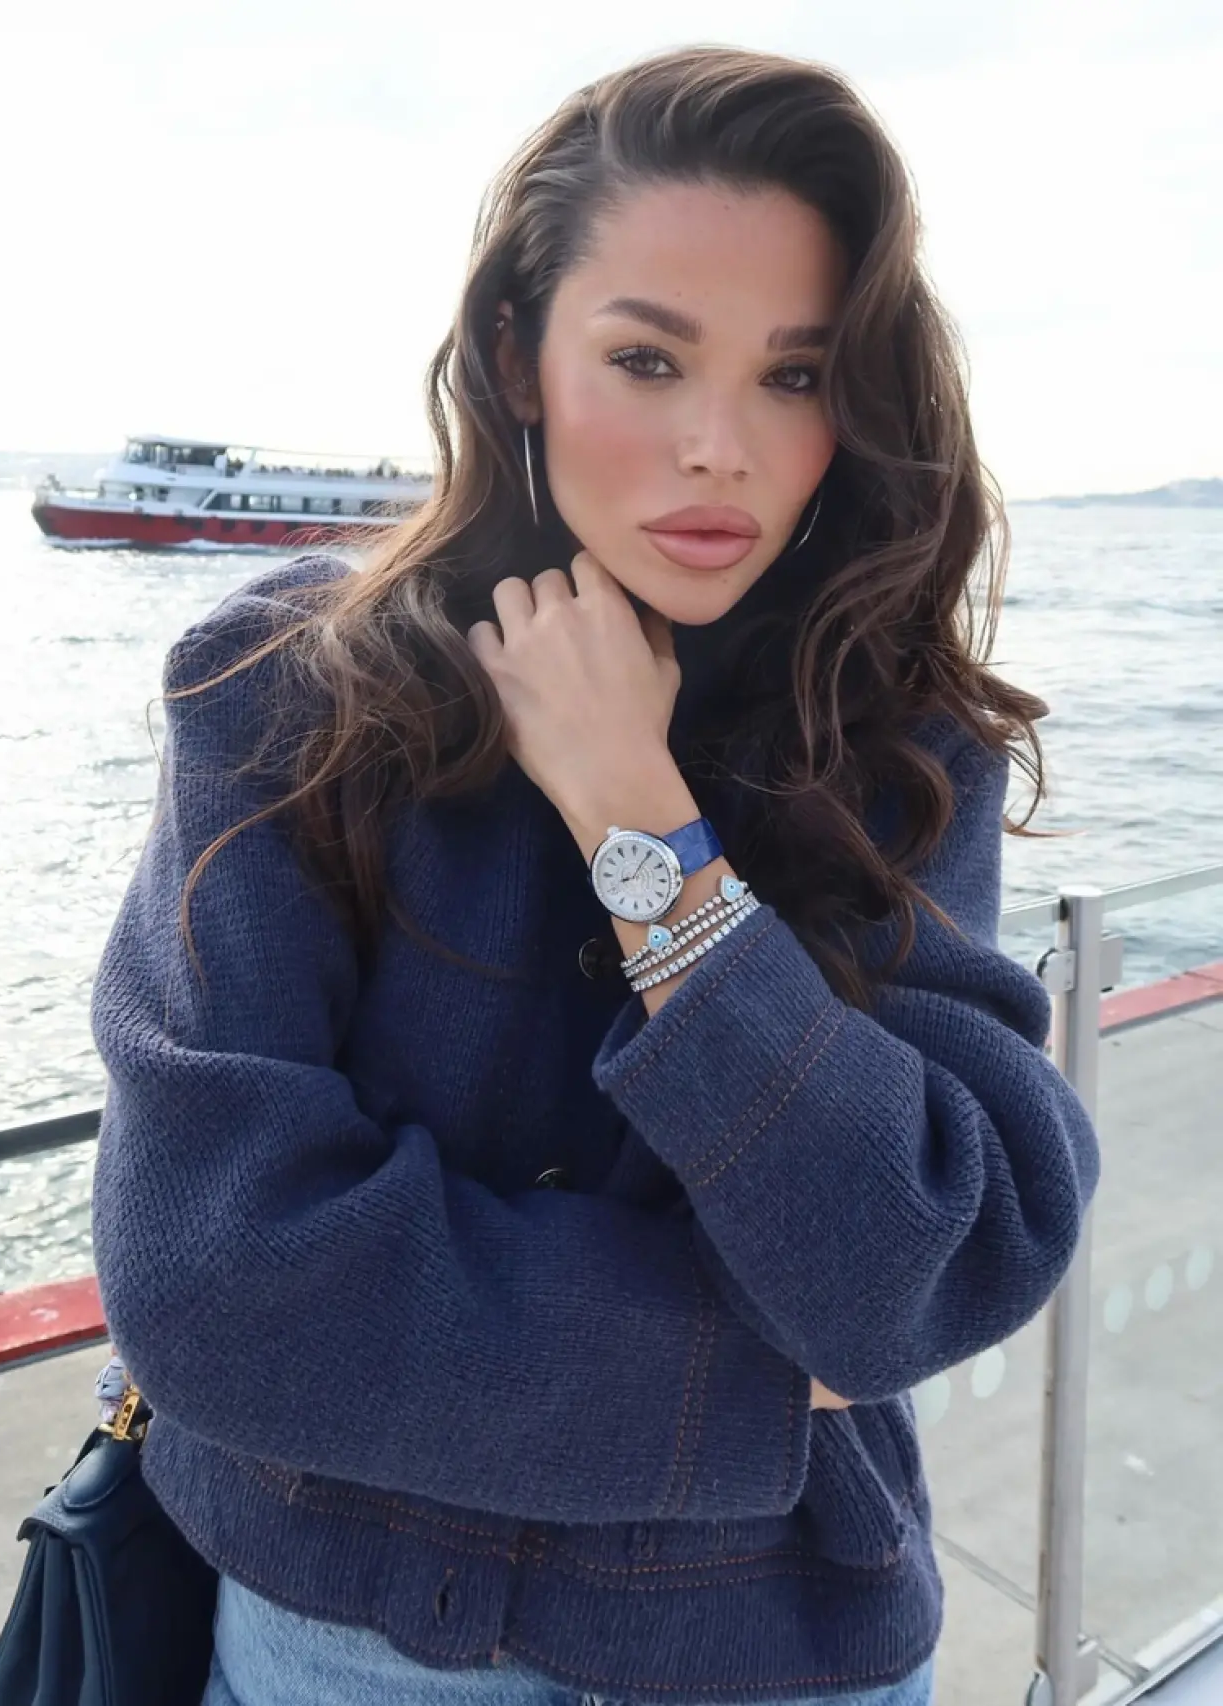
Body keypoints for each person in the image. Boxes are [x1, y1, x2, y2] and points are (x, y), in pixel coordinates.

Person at [89, 43, 1099, 1706]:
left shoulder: (900, 741)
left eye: (793, 374)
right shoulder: (290, 700)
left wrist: (650, 833)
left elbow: (928, 1262)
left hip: (780, 1657)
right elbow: (213, 1281)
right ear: (518, 354)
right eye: (647, 358)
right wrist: (753, 1379)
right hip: (357, 1653)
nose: (719, 446)